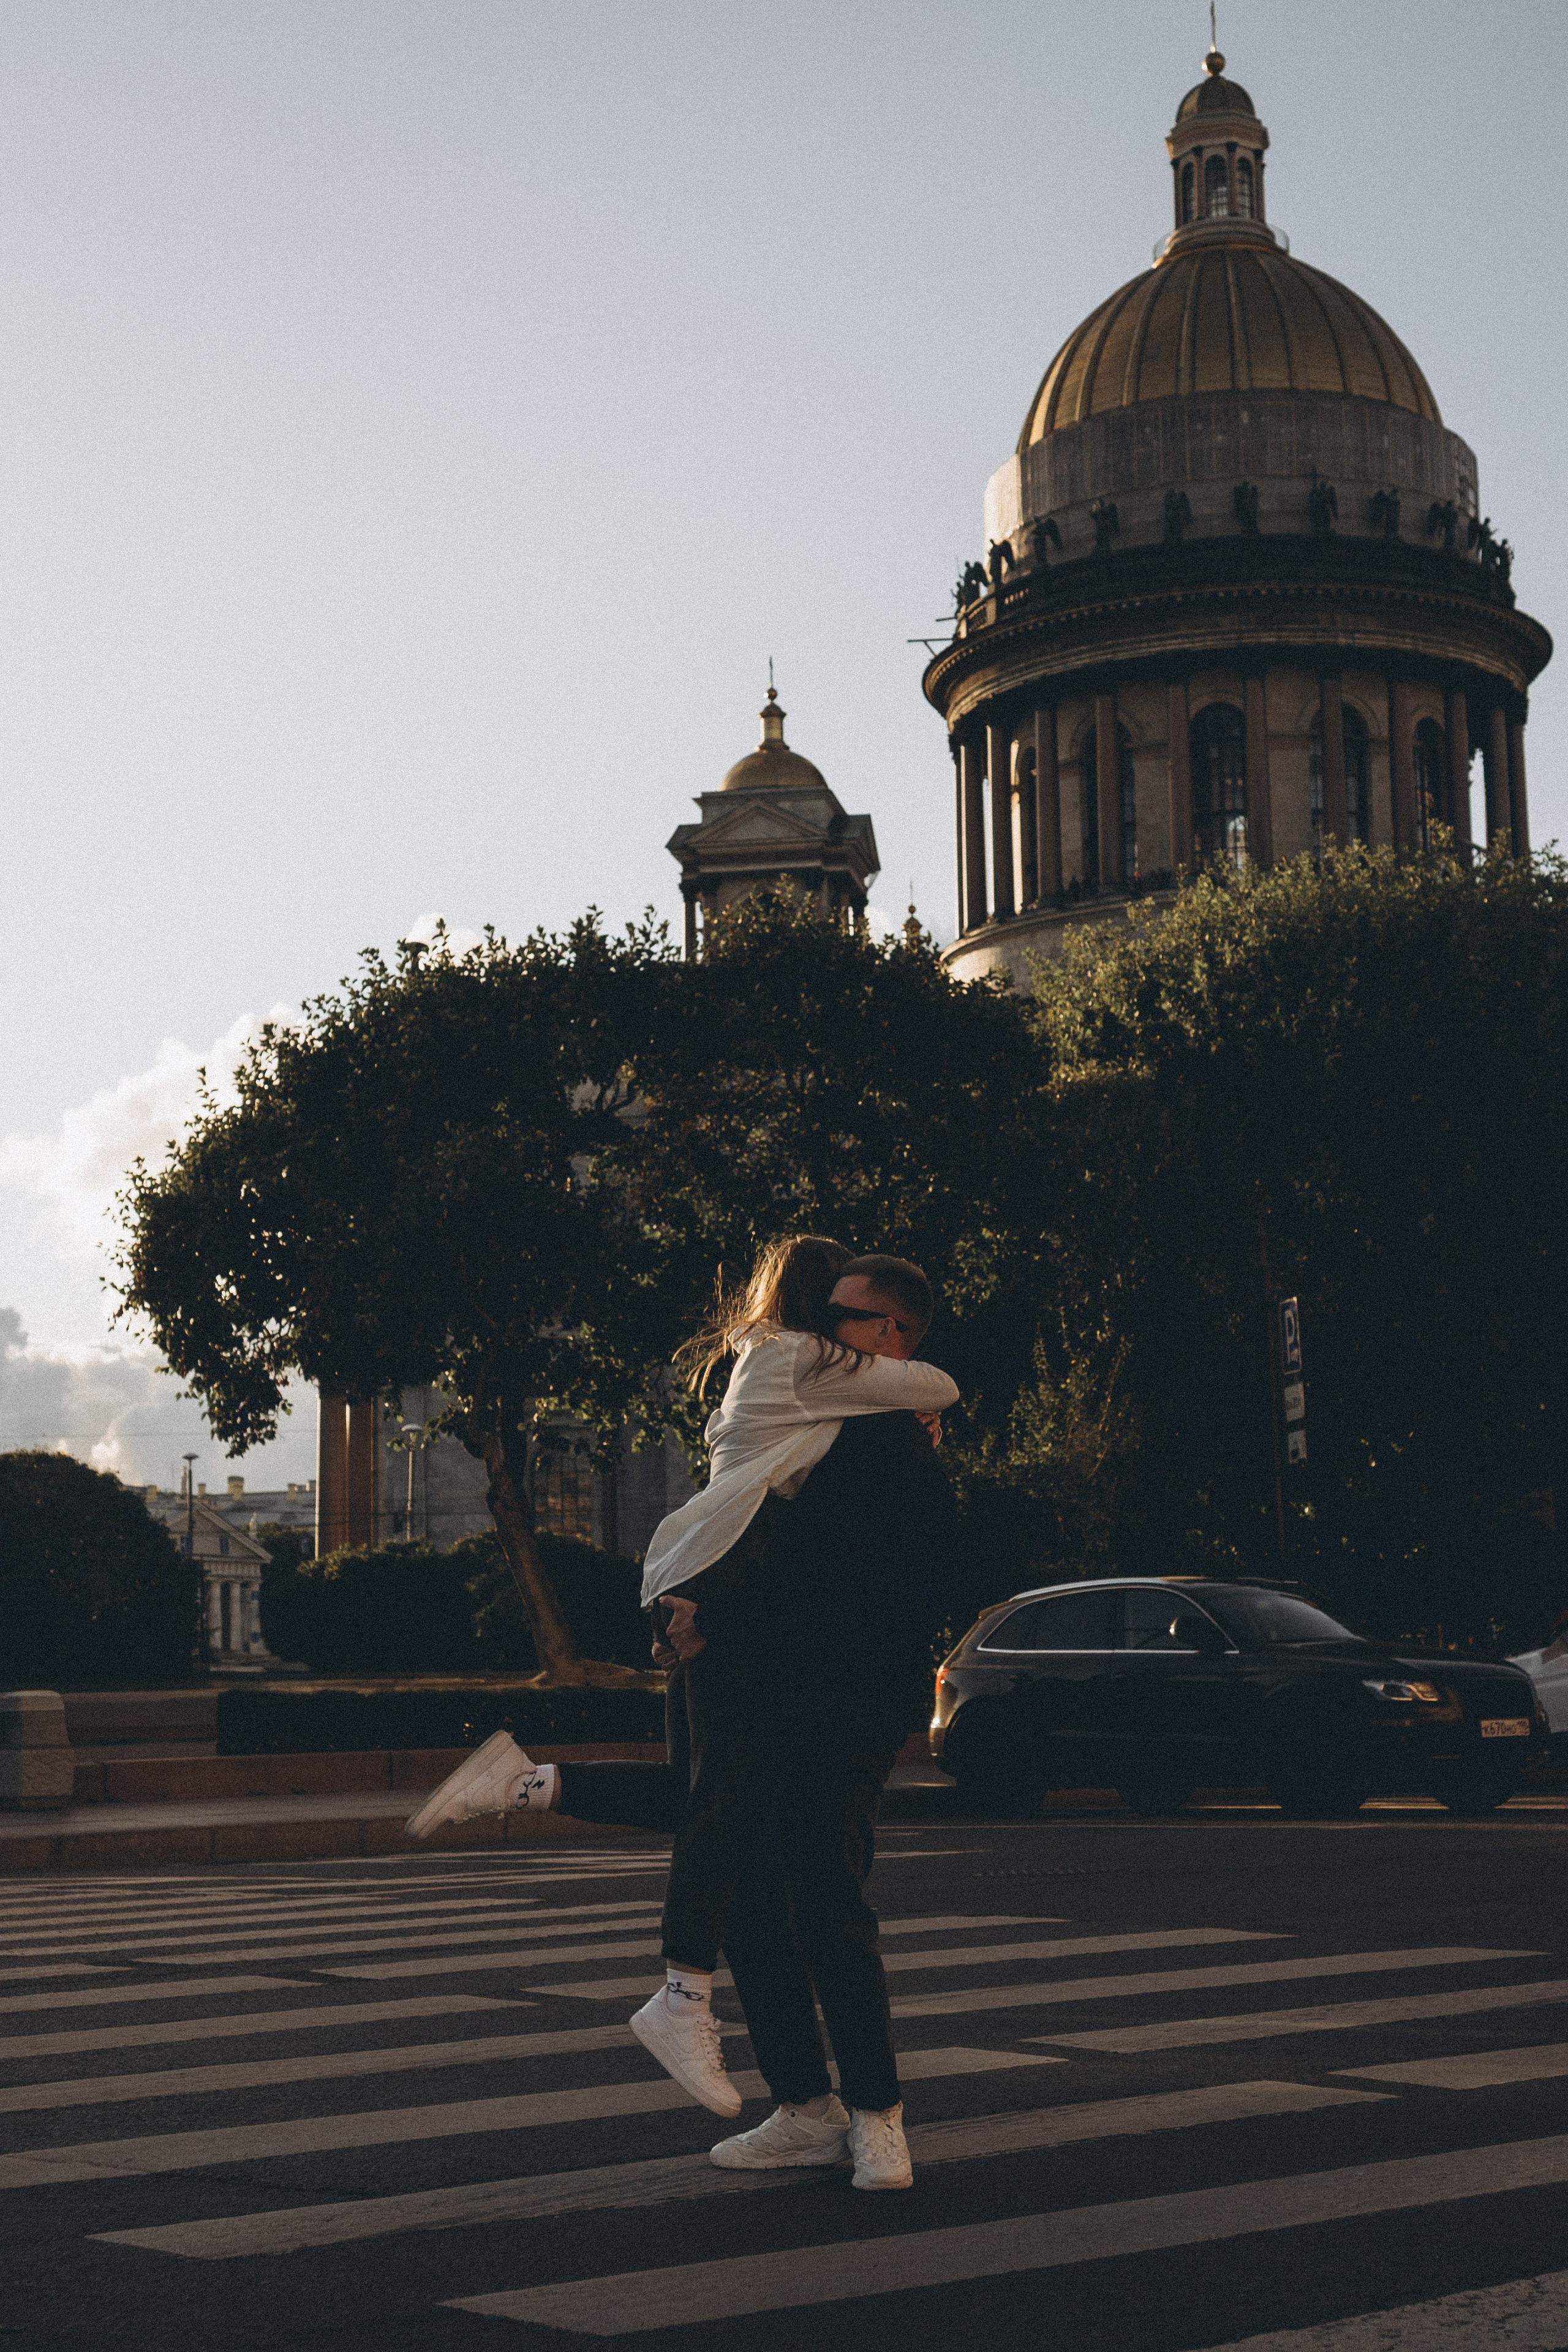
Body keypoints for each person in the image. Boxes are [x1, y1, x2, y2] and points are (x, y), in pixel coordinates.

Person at [622, 1243, 957, 2139]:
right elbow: (799, 1551)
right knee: (764, 1865)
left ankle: (841, 2106)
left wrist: (716, 1615)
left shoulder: (849, 1415)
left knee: (783, 1881)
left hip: (796, 1668)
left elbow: (827, 1566)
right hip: (748, 1627)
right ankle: (814, 2101)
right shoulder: (806, 1371)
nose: (837, 1340)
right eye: (833, 1318)